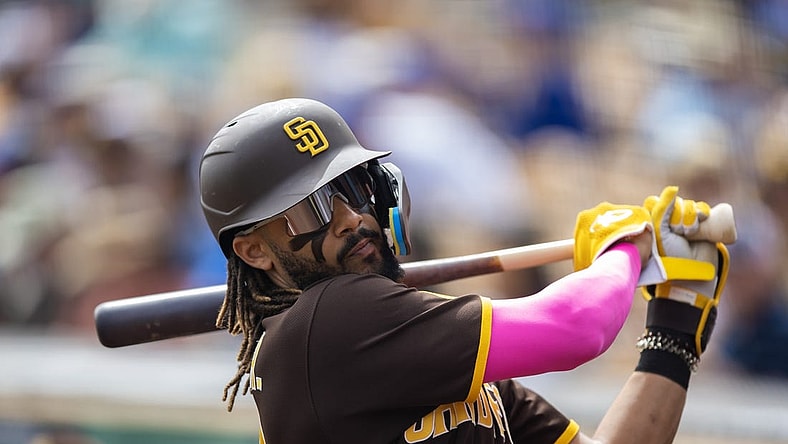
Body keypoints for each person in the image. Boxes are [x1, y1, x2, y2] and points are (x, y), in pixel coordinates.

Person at [198, 98, 730, 444]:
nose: (350, 219)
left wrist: (672, 332)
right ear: (254, 252)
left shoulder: (417, 345)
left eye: (351, 189)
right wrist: (625, 248)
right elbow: (575, 329)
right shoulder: (328, 323)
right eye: (311, 208)